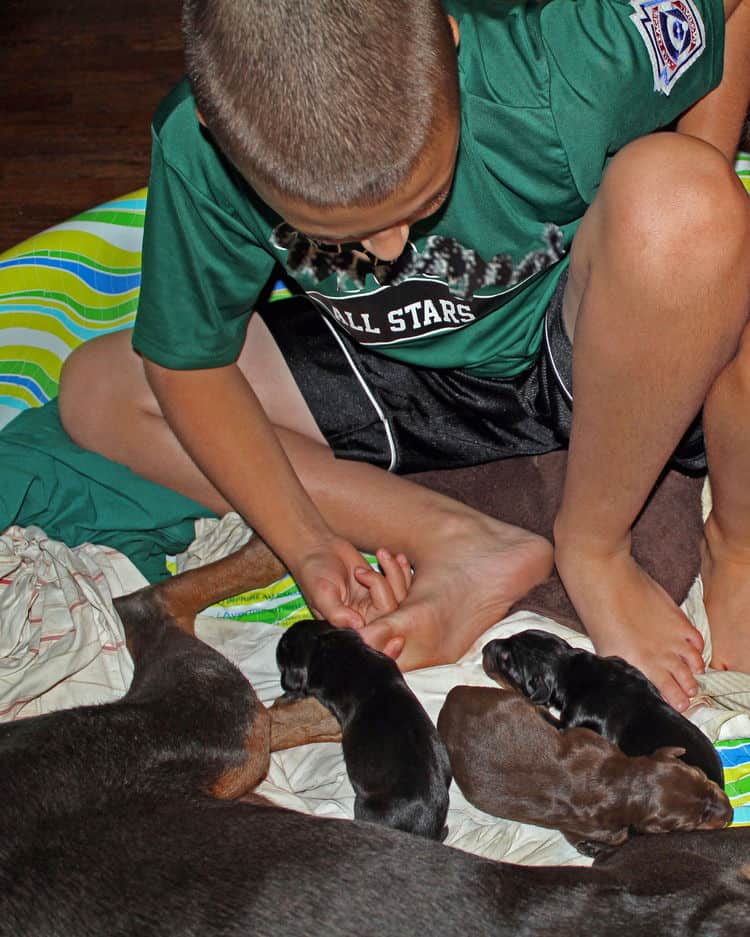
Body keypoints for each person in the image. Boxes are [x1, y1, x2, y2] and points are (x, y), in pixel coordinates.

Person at [58, 0, 750, 712]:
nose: (393, 252)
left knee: (690, 208)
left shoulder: (566, 61)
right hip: (391, 370)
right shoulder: (194, 146)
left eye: (421, 198)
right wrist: (305, 542)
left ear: (450, 44)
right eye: (339, 236)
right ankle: (460, 538)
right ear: (218, 136)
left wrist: (701, 214)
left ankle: (638, 546)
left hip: (587, 335)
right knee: (101, 389)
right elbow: (190, 367)